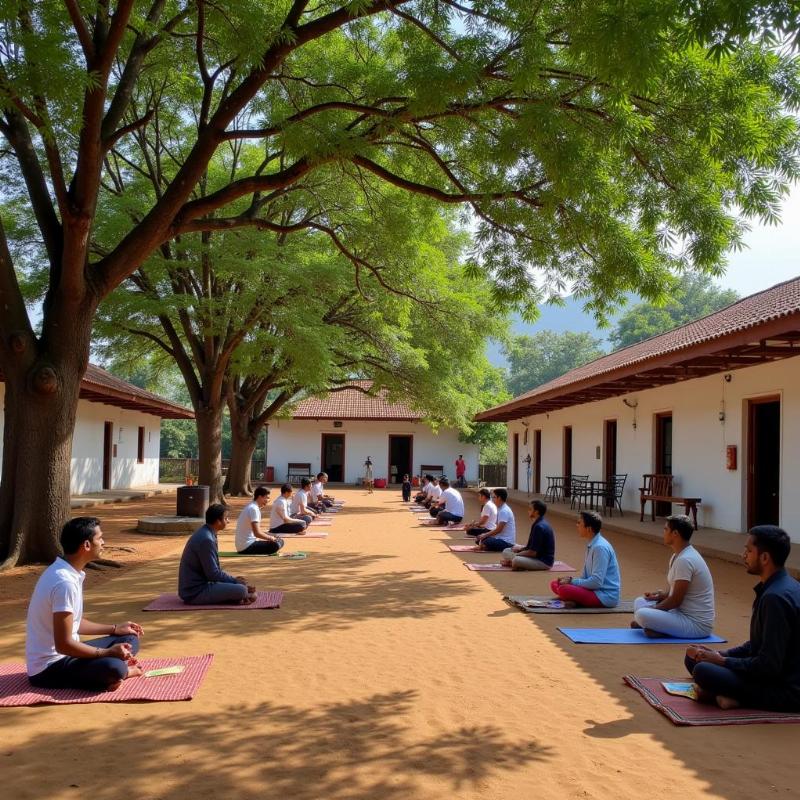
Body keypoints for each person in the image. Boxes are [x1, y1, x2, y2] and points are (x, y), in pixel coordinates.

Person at [685, 525, 800, 711]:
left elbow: (769, 666)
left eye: (748, 550)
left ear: (764, 558)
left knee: (702, 671)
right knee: (693, 659)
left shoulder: (775, 598)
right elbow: (757, 645)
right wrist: (721, 654)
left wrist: (722, 662)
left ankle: (736, 698)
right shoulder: (777, 587)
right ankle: (720, 693)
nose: (743, 555)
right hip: (769, 673)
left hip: (786, 688)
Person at [26, 516, 144, 690]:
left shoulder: (67, 572)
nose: (103, 542)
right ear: (86, 545)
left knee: (128, 638)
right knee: (114, 667)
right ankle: (119, 673)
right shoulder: (63, 582)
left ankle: (107, 673)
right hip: (49, 669)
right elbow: (63, 644)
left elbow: (75, 624)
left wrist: (115, 628)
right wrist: (106, 653)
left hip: (68, 654)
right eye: (99, 538)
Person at [632, 514, 714, 638]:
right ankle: (654, 627)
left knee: (642, 614)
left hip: (696, 624)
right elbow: (672, 593)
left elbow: (675, 600)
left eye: (666, 529)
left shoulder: (685, 560)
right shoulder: (678, 556)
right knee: (640, 601)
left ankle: (654, 626)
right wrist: (658, 596)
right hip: (679, 613)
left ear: (675, 533)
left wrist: (653, 609)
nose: (663, 532)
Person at [179, 504, 256, 605]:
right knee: (241, 590)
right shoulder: (206, 539)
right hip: (195, 592)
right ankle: (239, 596)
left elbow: (212, 572)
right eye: (226, 518)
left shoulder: (207, 533)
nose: (228, 521)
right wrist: (235, 581)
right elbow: (213, 574)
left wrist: (234, 581)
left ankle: (236, 594)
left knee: (241, 587)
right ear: (218, 521)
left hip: (200, 586)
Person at [551, 511, 620, 608]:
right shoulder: (592, 544)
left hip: (605, 596)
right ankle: (573, 600)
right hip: (593, 590)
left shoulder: (600, 548)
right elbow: (585, 577)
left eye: (579, 523)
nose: (577, 525)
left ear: (589, 529)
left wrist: (572, 582)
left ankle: (573, 600)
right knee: (555, 584)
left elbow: (596, 582)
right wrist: (570, 580)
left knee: (564, 589)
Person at [501, 499, 555, 571]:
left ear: (536, 512)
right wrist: (520, 549)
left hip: (543, 562)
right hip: (535, 556)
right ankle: (514, 562)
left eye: (530, 509)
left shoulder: (539, 527)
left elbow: (533, 553)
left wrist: (517, 555)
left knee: (516, 560)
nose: (528, 511)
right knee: (507, 551)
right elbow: (531, 547)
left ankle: (513, 563)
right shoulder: (538, 523)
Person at [235, 486, 285, 555]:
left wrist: (272, 536)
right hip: (247, 547)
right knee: (276, 544)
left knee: (279, 540)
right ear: (259, 497)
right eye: (266, 498)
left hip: (244, 545)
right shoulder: (254, 509)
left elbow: (257, 532)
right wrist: (271, 538)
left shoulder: (252, 506)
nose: (268, 500)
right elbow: (257, 533)